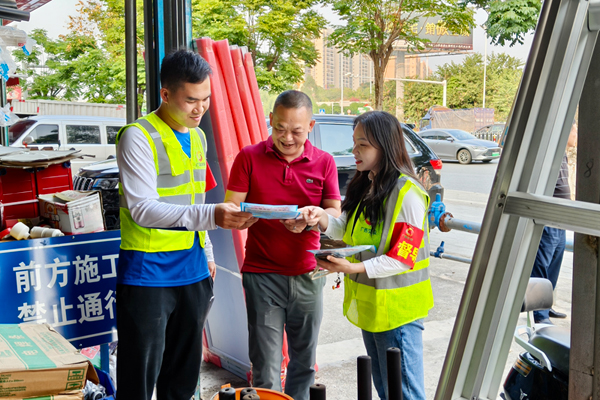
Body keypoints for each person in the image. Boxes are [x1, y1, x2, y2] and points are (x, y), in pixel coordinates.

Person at [115, 49, 256, 400]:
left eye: (206, 99)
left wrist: (206, 248)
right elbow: (142, 209)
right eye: (191, 100)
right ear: (165, 94)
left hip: (192, 270)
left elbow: (195, 200)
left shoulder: (197, 137)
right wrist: (213, 217)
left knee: (182, 378)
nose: (200, 109)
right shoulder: (138, 137)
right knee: (139, 378)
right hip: (148, 274)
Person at [301, 111, 434, 400]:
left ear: (384, 146)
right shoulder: (368, 184)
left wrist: (351, 268)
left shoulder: (408, 194)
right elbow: (345, 227)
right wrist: (320, 217)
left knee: (405, 394)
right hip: (374, 311)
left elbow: (402, 257)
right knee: (387, 391)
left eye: (363, 145)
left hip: (398, 314)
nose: (354, 151)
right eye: (354, 143)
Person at [224, 90, 341, 400]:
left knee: (305, 360)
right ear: (270, 121)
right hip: (262, 275)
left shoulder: (325, 162)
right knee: (265, 361)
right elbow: (230, 206)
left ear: (311, 126)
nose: (287, 137)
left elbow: (334, 212)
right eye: (279, 128)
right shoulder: (249, 157)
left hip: (308, 273)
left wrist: (316, 216)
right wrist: (242, 215)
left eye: (296, 131)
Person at [530, 122, 576, 324]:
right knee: (542, 265)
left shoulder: (562, 154)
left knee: (554, 266)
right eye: (575, 130)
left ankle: (546, 307)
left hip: (561, 218)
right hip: (549, 218)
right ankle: (539, 314)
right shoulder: (551, 153)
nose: (577, 135)